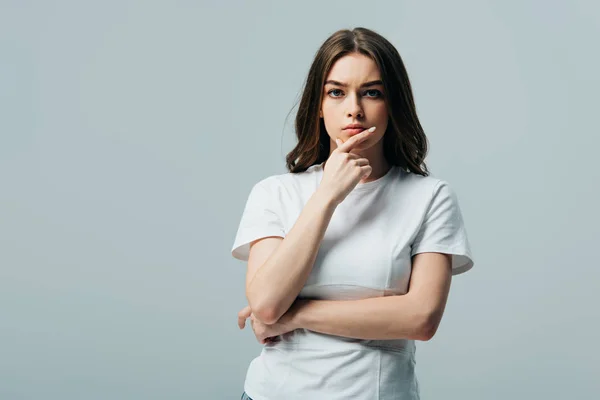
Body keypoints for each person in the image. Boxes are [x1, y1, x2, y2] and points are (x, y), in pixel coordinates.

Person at [231, 27, 475, 400]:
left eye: (372, 92)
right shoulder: (274, 193)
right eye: (337, 92)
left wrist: (294, 315)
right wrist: (327, 196)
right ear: (319, 106)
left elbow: (421, 318)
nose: (354, 109)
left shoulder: (430, 197)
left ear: (392, 105)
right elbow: (265, 303)